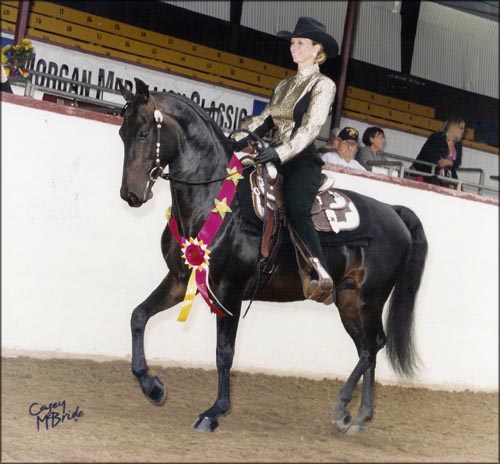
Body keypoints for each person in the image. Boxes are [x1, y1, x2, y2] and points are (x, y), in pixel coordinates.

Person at [230, 17, 339, 304]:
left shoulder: (323, 85)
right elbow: (263, 120)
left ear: (317, 49)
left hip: (301, 159)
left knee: (296, 206)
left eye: (301, 43)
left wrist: (280, 152)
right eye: (292, 43)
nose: (294, 47)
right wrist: (232, 139)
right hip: (273, 154)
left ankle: (319, 273)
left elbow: (311, 128)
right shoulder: (283, 85)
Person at [412, 117, 465, 186]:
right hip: (427, 171)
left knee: (458, 188)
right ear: (453, 127)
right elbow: (429, 155)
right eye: (461, 128)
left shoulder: (458, 143)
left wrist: (449, 162)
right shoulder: (436, 137)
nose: (462, 131)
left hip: (446, 175)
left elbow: (458, 162)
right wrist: (440, 162)